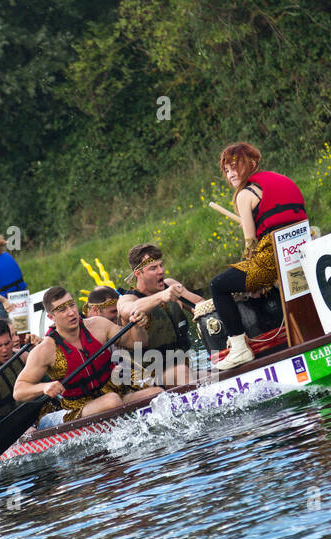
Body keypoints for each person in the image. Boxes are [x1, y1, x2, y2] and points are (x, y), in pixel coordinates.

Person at [209, 142, 308, 369]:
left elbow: (250, 245)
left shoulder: (245, 194)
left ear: (252, 164)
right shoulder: (281, 180)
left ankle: (240, 349)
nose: (231, 174)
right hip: (300, 254)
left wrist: (254, 281)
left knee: (218, 285)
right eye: (227, 169)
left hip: (273, 259)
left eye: (236, 167)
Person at [12, 286, 161, 428]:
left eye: (71, 305)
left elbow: (139, 342)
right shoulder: (45, 349)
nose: (71, 312)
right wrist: (44, 387)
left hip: (114, 392)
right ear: (51, 317)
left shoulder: (99, 325)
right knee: (111, 402)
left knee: (157, 394)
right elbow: (19, 391)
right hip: (78, 407)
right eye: (62, 309)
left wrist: (137, 325)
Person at [117, 243, 203, 385]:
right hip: (146, 378)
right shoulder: (127, 299)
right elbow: (130, 309)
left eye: (161, 265)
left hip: (181, 369)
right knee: (182, 372)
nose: (160, 271)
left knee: (213, 375)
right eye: (153, 268)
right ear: (138, 274)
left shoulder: (171, 286)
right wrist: (161, 296)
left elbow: (200, 303)